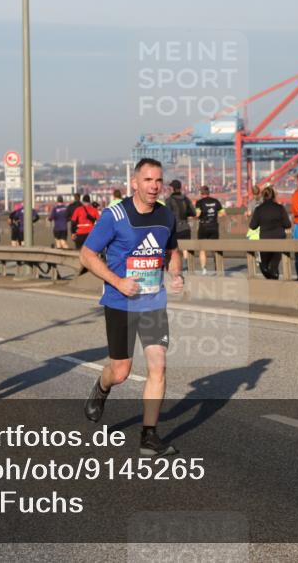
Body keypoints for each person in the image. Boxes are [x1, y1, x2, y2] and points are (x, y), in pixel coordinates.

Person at [80, 158, 184, 457]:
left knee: (158, 365)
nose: (154, 186)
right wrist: (117, 281)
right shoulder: (114, 216)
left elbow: (173, 251)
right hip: (120, 302)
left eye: (158, 181)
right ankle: (102, 386)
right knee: (121, 371)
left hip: (153, 302)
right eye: (148, 180)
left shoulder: (165, 216)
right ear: (135, 183)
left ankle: (148, 437)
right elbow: (87, 255)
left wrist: (176, 273)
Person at [249, 186, 291, 280]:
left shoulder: (259, 209)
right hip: (279, 240)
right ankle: (274, 282)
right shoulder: (280, 208)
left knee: (264, 265)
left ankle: (271, 281)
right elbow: (287, 224)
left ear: (263, 196)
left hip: (265, 240)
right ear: (273, 196)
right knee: (274, 266)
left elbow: (252, 226)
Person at [165, 180, 195, 265]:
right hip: (186, 227)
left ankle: (177, 265)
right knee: (186, 247)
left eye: (170, 187)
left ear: (173, 188)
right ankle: (186, 264)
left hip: (175, 228)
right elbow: (193, 213)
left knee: (174, 248)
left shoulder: (169, 200)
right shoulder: (186, 199)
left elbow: (167, 215)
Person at [194, 186, 223, 275]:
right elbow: (223, 213)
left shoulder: (199, 202)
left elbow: (198, 214)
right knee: (215, 248)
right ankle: (217, 267)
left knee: (202, 248)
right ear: (208, 192)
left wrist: (193, 216)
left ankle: (204, 269)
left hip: (203, 226)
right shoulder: (216, 201)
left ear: (201, 193)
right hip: (214, 226)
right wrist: (214, 216)